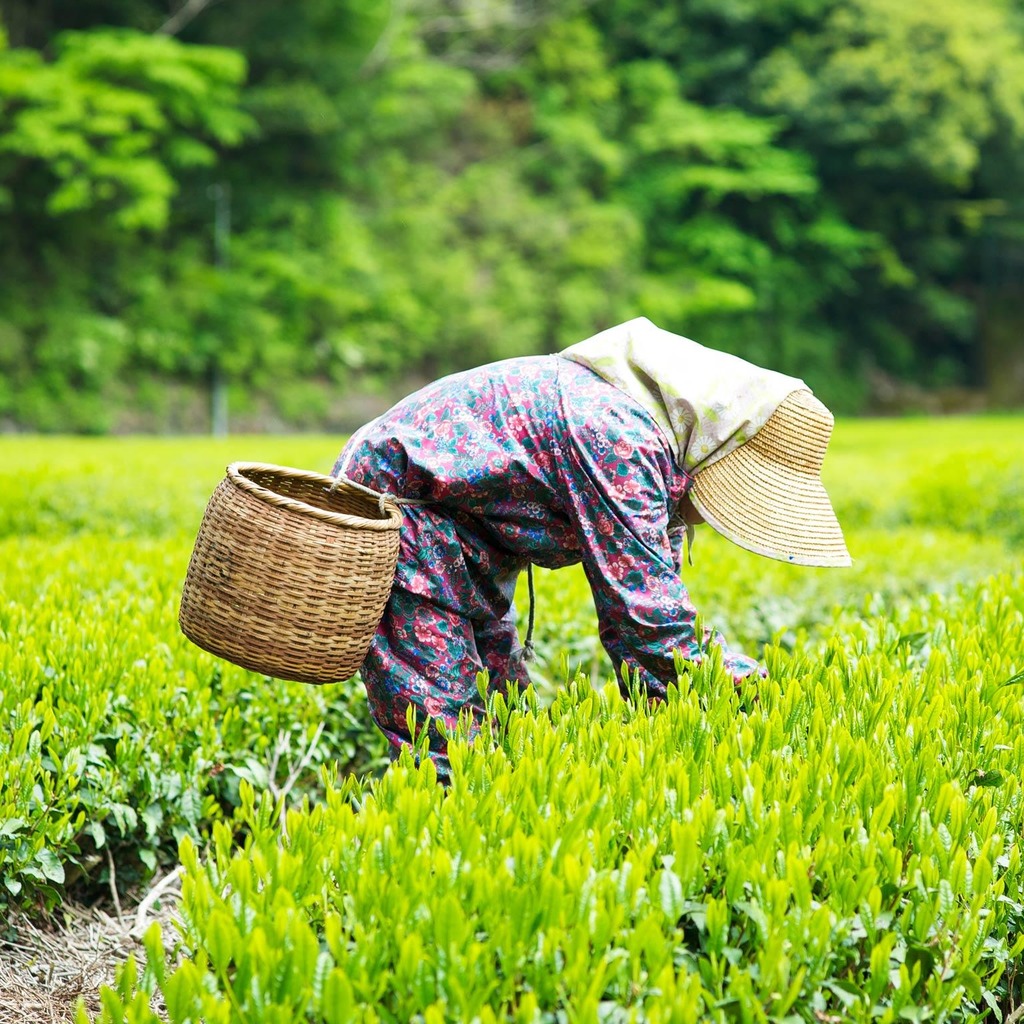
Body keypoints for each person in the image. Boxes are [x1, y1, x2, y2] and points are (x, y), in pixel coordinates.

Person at [332, 316, 851, 780]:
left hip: (469, 540)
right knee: (450, 747)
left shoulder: (662, 457)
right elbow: (646, 626)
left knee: (508, 727)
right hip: (398, 516)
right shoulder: (618, 438)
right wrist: (761, 694)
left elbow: (657, 597)